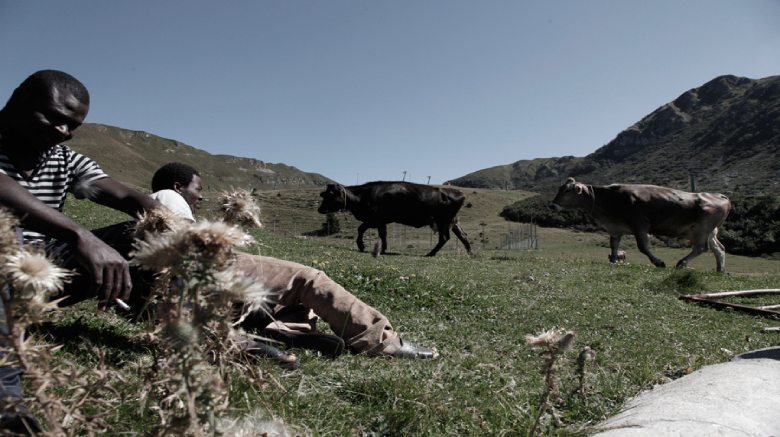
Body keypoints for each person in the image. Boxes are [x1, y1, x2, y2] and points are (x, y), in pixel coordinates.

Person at [0, 70, 161, 433]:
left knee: (139, 236)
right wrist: (79, 235)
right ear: (18, 100)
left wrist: (168, 223)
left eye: (72, 126)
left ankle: (189, 333)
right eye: (54, 119)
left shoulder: (63, 158)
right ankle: (6, 402)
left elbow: (119, 193)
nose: (63, 132)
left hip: (43, 272)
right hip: (3, 262)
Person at [149, 163, 440, 361]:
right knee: (307, 279)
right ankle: (382, 341)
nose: (200, 196)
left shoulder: (153, 207)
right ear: (178, 186)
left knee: (285, 300)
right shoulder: (167, 198)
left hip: (191, 284)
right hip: (205, 263)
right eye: (197, 189)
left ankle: (283, 330)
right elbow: (186, 245)